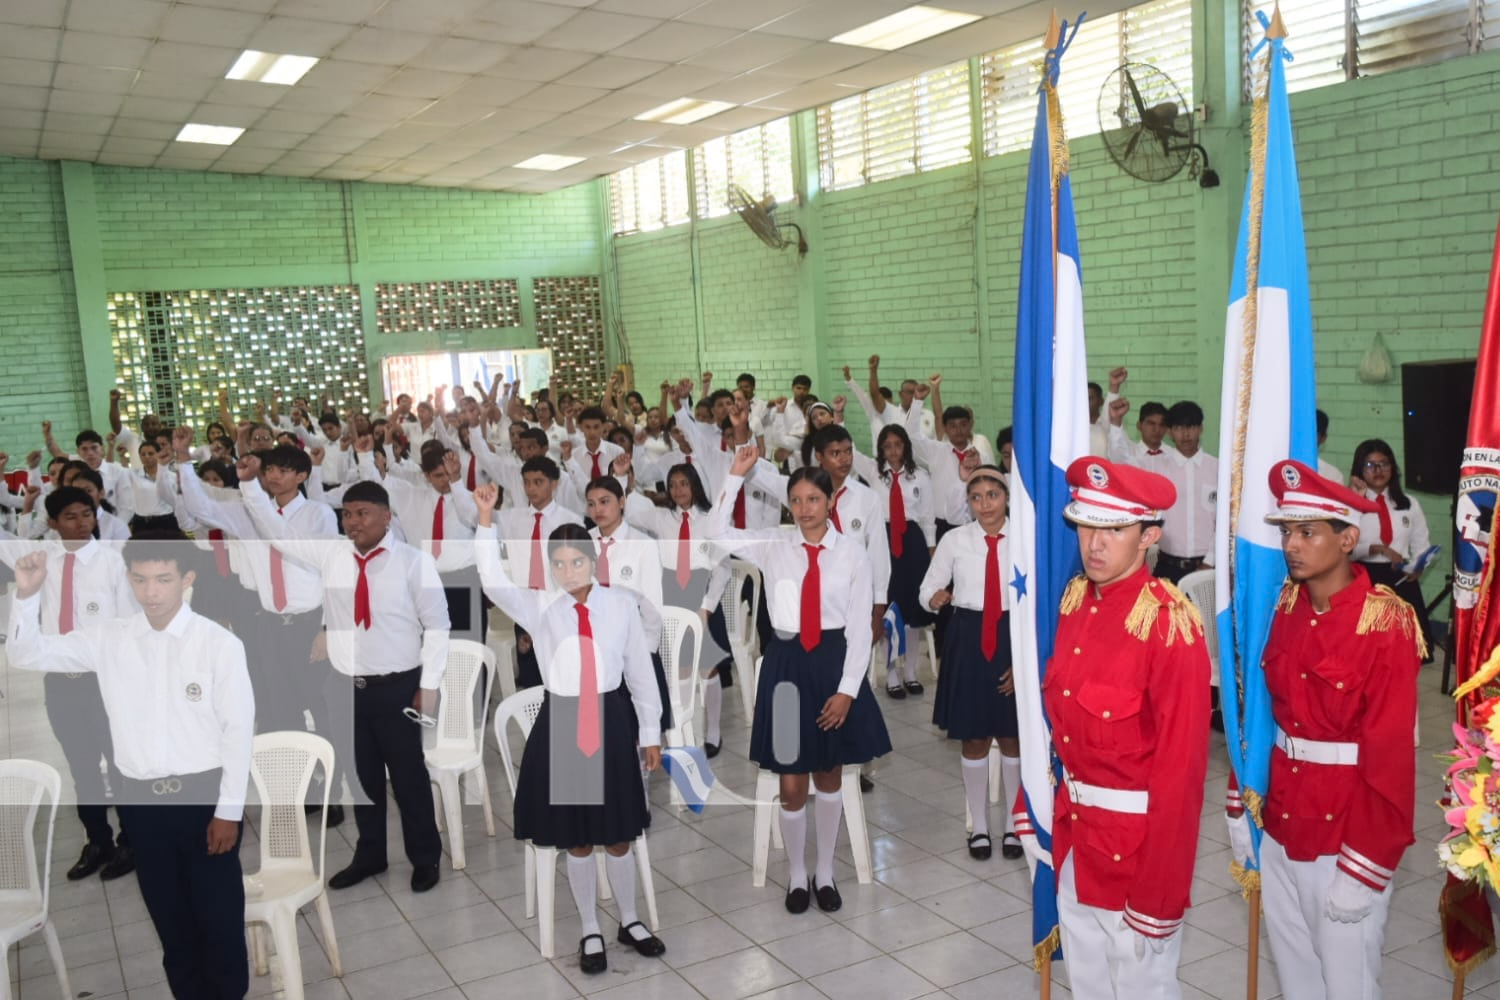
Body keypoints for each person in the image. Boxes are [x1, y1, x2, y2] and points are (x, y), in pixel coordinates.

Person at [6, 536, 255, 1000]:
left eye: (163, 579)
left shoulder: (218, 644)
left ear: (187, 579)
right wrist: (25, 596)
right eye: (140, 579)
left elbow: (238, 732)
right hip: (140, 805)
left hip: (203, 800)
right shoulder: (110, 639)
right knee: (171, 924)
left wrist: (229, 811)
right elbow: (25, 655)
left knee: (218, 921)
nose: (151, 591)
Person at [1231, 460, 1422, 1000]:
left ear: (1347, 539)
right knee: (1298, 981)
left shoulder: (1384, 622)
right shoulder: (1290, 604)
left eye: (1307, 532)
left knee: (1349, 986)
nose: (1291, 544)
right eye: (1287, 531)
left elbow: (1389, 756)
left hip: (1343, 834)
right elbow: (1268, 716)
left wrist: (1366, 865)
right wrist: (1243, 799)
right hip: (1285, 823)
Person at [472, 486, 666, 974]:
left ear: (593, 560)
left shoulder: (621, 606)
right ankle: (589, 928)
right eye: (558, 564)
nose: (568, 572)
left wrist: (650, 731)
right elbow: (493, 581)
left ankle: (628, 919)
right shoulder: (541, 608)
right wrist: (484, 519)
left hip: (610, 717)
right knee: (578, 837)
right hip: (565, 723)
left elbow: (641, 674)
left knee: (619, 833)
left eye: (576, 561)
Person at [1045, 457, 1210, 1000]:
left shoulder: (1168, 623)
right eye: (1087, 525)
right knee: (1087, 988)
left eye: (1114, 529)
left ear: (1149, 535)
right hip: (1079, 841)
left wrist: (1159, 894)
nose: (1095, 543)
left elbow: (1181, 775)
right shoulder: (1076, 603)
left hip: (1137, 855)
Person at [707, 444, 891, 914]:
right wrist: (735, 475)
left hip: (833, 663)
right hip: (787, 666)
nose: (805, 509)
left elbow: (856, 630)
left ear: (830, 502)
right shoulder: (774, 544)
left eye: (813, 499)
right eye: (797, 501)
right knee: (792, 783)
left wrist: (848, 691)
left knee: (828, 774)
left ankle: (824, 871)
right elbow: (716, 533)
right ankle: (795, 875)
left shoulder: (851, 555)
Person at [241, 478, 449, 893]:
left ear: (386, 517)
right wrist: (249, 484)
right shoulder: (332, 555)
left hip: (398, 686)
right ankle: (370, 854)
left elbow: (438, 625)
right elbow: (277, 533)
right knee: (361, 778)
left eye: (362, 513)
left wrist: (428, 684)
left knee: (408, 779)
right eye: (347, 514)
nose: (352, 522)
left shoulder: (411, 562)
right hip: (345, 687)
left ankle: (424, 857)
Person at [0, 486, 138, 880]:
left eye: (87, 514)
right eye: (71, 517)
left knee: (118, 761)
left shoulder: (112, 564)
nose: (81, 523)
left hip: (102, 679)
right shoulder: (40, 559)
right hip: (61, 680)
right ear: (54, 523)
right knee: (81, 766)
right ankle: (98, 839)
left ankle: (131, 840)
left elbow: (128, 625)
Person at [918, 465, 1021, 861]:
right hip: (968, 637)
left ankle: (1015, 823)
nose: (984, 505)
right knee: (975, 737)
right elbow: (926, 587)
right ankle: (979, 826)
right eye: (976, 497)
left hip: (1013, 635)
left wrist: (1027, 662)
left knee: (1012, 736)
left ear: (1006, 497)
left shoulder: (1025, 540)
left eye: (992, 495)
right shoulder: (955, 540)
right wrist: (934, 598)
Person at [621, 461, 733, 755]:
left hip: (701, 596)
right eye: (672, 485)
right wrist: (621, 477)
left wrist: (708, 608)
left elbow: (722, 570)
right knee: (677, 667)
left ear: (695, 485)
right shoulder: (661, 518)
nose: (678, 490)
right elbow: (628, 512)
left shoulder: (710, 520)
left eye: (684, 483)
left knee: (707, 668)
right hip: (669, 595)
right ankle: (680, 727)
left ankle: (713, 731)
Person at [864, 423, 936, 697]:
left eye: (898, 444)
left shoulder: (920, 476)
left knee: (914, 614)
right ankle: (892, 674)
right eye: (887, 446)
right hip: (883, 540)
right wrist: (838, 416)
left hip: (913, 542)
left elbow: (928, 517)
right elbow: (849, 455)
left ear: (906, 446)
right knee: (891, 609)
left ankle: (911, 673)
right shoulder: (874, 472)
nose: (893, 450)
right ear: (881, 449)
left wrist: (931, 553)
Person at [1348, 438, 1434, 658]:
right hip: (1364, 579)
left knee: (1405, 653)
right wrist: (1377, 548)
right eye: (1370, 465)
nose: (1378, 470)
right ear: (1359, 469)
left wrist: (1418, 566)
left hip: (1400, 580)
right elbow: (1345, 548)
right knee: (1366, 651)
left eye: (1384, 464)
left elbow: (1421, 543)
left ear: (1393, 468)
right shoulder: (1351, 503)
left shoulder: (1408, 503)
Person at [1148, 401, 1219, 585]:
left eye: (1191, 427)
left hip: (1208, 566)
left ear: (1201, 429)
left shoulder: (1217, 468)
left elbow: (1223, 522)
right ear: (1170, 432)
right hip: (1167, 566)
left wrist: (1209, 561)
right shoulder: (1158, 468)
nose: (1185, 434)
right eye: (1178, 428)